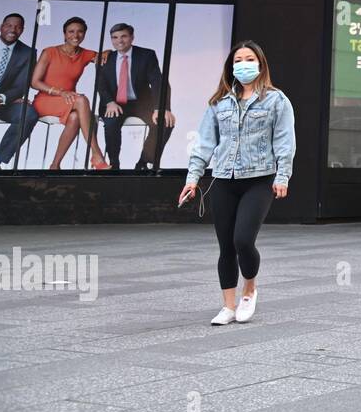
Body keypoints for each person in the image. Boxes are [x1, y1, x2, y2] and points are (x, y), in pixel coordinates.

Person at [179, 41, 295, 326]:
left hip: (259, 178)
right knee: (225, 246)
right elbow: (205, 143)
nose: (243, 64)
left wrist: (283, 176)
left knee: (243, 239)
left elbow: (284, 141)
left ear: (260, 63)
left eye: (249, 58)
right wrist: (192, 178)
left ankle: (250, 289)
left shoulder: (276, 100)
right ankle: (228, 306)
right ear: (231, 67)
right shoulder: (219, 102)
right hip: (223, 179)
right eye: (238, 60)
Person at [30, 16, 107, 170]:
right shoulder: (49, 52)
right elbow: (34, 82)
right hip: (46, 100)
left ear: (84, 34)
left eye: (80, 32)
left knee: (75, 117)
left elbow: (102, 57)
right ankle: (96, 153)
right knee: (82, 100)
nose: (76, 35)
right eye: (71, 32)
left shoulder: (85, 54)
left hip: (69, 101)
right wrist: (60, 91)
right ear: (64, 34)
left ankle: (55, 165)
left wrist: (108, 52)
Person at [96, 22, 175, 172]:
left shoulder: (146, 55)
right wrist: (109, 102)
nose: (119, 41)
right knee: (111, 122)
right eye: (115, 37)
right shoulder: (105, 59)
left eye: (124, 36)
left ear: (132, 37)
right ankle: (113, 164)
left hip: (141, 104)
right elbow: (101, 85)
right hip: (115, 103)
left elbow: (159, 82)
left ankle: (144, 162)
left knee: (165, 122)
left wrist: (162, 108)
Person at [0, 13, 36, 168]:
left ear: (22, 30)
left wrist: (1, 97)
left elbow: (22, 85)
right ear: (1, 27)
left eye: (18, 27)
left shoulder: (28, 53)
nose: (13, 29)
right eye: (9, 25)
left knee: (28, 113)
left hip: (5, 102)